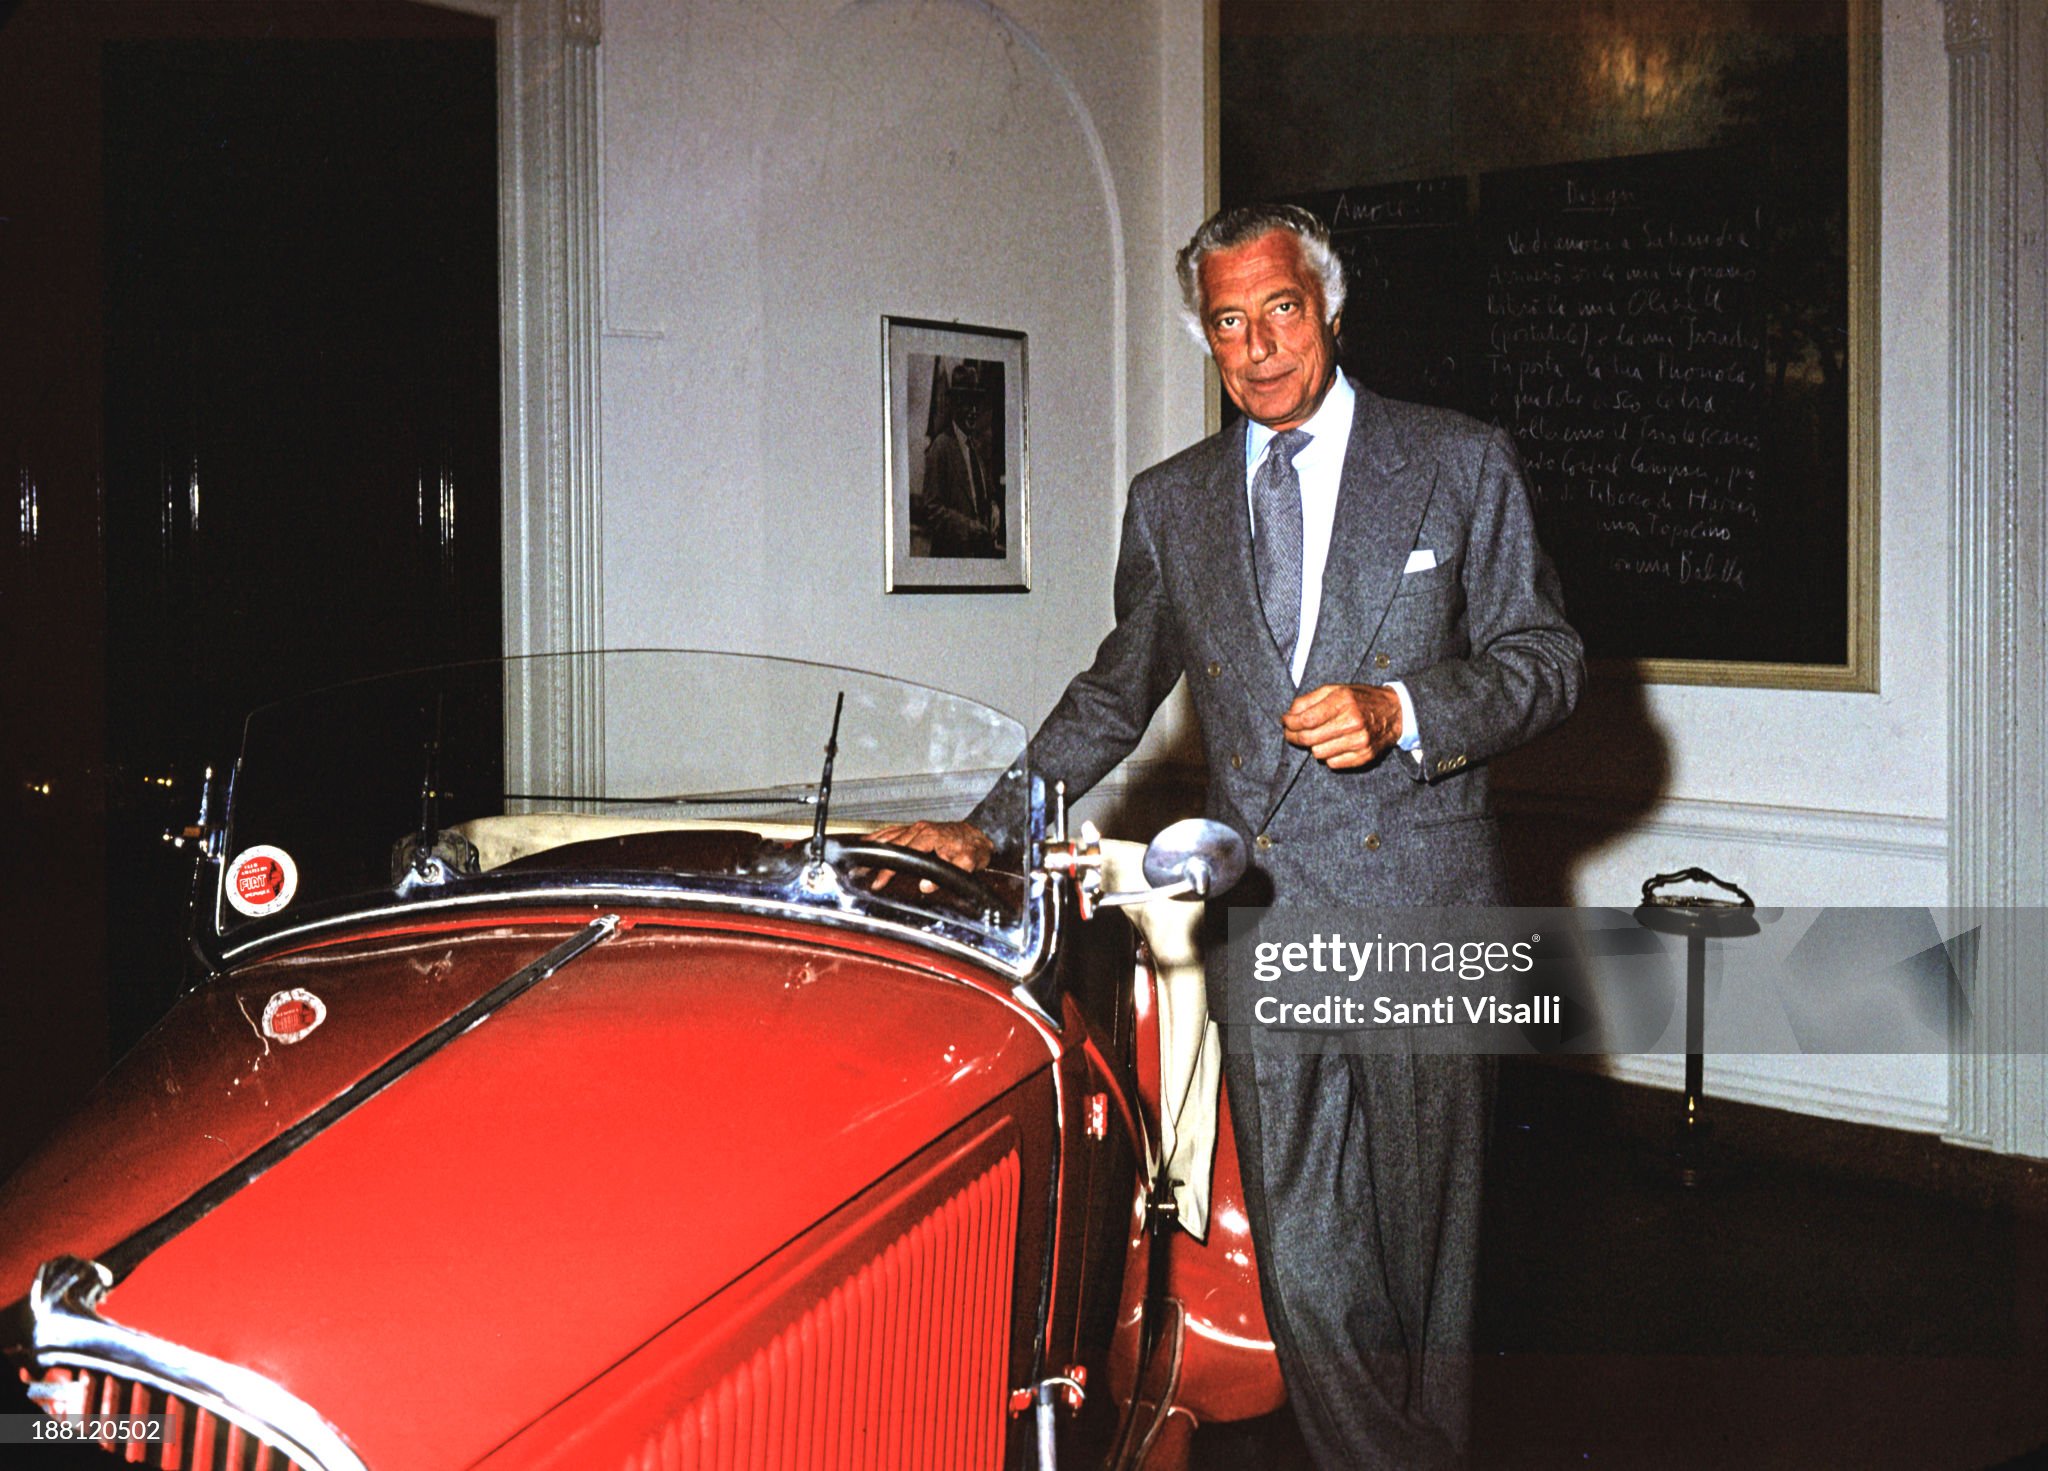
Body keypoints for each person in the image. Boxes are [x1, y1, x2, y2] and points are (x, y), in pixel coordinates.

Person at [875, 203, 1582, 1467]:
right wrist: (992, 827)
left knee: (1430, 1275)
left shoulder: (1457, 460)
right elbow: (1113, 689)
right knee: (1308, 1275)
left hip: (1420, 912)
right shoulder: (1174, 503)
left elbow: (1546, 661)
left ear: (1328, 307)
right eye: (1225, 322)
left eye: (1279, 311)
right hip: (1266, 921)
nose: (1255, 349)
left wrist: (1405, 707)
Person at [916, 360, 1004, 558]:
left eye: (976, 404)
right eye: (966, 403)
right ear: (954, 405)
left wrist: (994, 508)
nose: (973, 411)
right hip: (952, 558)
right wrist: (969, 528)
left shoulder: (978, 449)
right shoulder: (940, 447)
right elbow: (932, 510)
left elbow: (987, 494)